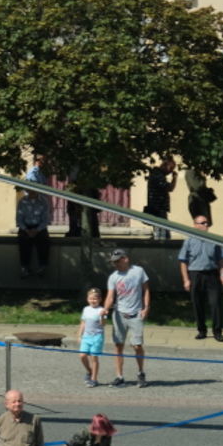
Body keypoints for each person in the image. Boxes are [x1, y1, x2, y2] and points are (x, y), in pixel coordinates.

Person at [103, 248, 150, 388]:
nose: (116, 264)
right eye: (114, 262)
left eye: (118, 261)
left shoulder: (138, 271)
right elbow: (110, 296)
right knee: (118, 345)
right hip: (119, 314)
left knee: (137, 345)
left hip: (136, 313)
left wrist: (146, 307)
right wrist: (105, 309)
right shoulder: (113, 277)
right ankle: (119, 376)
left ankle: (141, 373)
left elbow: (146, 289)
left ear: (125, 259)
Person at [177, 216, 223, 342]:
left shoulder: (214, 240)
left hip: (212, 275)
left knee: (215, 304)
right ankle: (201, 330)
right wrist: (186, 280)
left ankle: (217, 332)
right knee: (197, 304)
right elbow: (183, 262)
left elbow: (221, 260)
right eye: (203, 223)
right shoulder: (189, 241)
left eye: (207, 223)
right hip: (195, 275)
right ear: (195, 225)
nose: (206, 225)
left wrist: (222, 274)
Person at [15, 189, 51, 278]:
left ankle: (42, 267)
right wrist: (26, 230)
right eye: (30, 190)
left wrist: (37, 230)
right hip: (26, 227)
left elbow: (46, 219)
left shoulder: (44, 201)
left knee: (44, 241)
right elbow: (19, 219)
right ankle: (24, 268)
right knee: (23, 241)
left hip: (39, 227)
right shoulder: (22, 201)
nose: (32, 192)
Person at [76, 288, 106, 387]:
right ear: (87, 299)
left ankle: (94, 379)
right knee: (82, 356)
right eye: (91, 298)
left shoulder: (101, 310)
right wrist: (79, 334)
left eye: (95, 299)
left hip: (97, 337)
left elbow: (103, 324)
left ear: (100, 299)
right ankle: (90, 371)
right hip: (86, 336)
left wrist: (102, 316)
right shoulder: (86, 309)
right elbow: (83, 322)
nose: (93, 301)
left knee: (94, 358)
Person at [144, 156, 177, 241]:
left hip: (159, 208)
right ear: (165, 165)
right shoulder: (157, 175)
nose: (171, 171)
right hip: (158, 209)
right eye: (171, 168)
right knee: (162, 235)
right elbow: (170, 188)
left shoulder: (158, 174)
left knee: (164, 233)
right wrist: (174, 178)